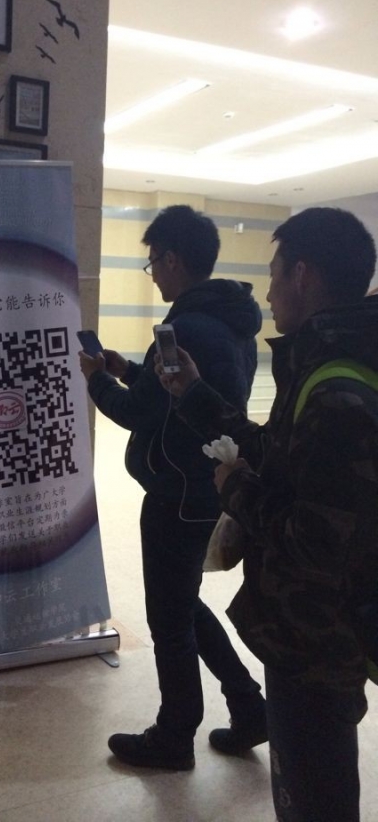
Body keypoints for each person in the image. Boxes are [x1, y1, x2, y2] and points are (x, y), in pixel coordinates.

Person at [157, 207, 378, 821]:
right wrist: (195, 394)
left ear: (303, 275)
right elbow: (280, 457)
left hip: (317, 642)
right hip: (306, 634)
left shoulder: (337, 393)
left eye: (276, 275)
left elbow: (316, 540)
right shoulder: (323, 365)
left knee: (314, 796)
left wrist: (235, 489)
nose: (270, 292)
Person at [79, 204, 266, 770]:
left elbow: (139, 413)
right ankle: (250, 707)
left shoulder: (184, 327)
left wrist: (95, 382)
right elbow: (179, 394)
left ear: (174, 259)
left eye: (153, 262)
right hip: (208, 484)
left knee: (169, 619)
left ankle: (175, 735)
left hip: (177, 493)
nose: (153, 274)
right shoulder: (230, 323)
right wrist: (126, 370)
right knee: (183, 604)